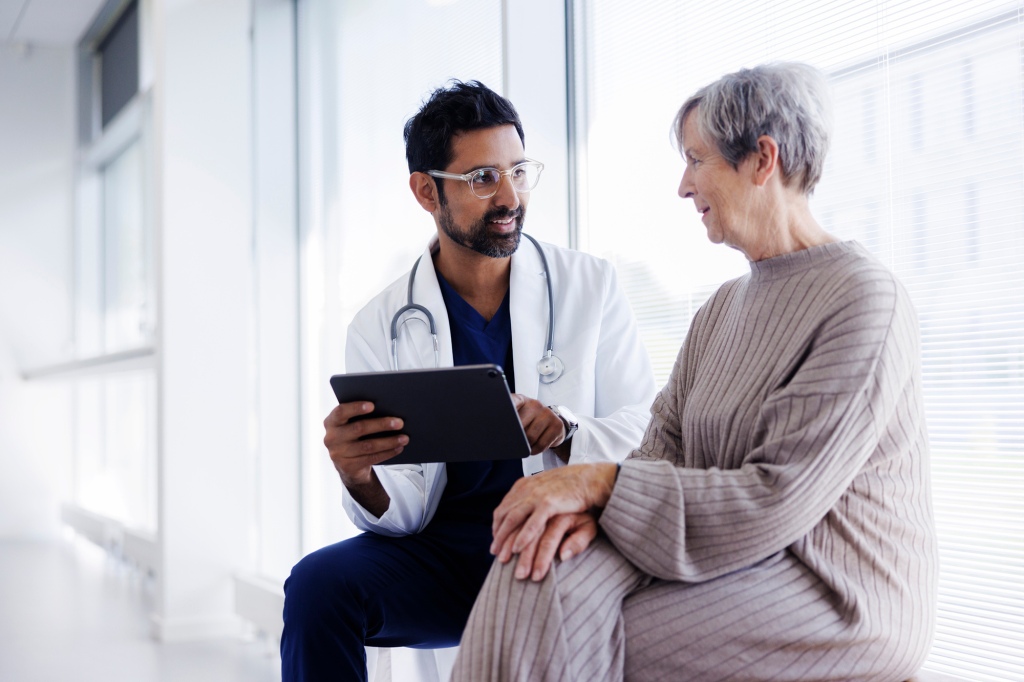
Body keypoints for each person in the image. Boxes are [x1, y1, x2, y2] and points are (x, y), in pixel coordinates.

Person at [451, 63, 939, 682]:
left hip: (835, 590)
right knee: (533, 566)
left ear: (762, 160)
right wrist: (585, 508)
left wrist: (599, 488)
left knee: (574, 627)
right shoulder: (720, 311)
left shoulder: (863, 300)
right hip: (730, 558)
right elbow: (661, 452)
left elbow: (777, 497)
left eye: (696, 159)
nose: (683, 186)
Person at [279, 80, 656, 682]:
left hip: (557, 538)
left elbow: (648, 429)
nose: (509, 195)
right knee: (317, 588)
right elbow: (401, 512)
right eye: (482, 178)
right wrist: (358, 475)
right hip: (443, 557)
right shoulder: (381, 325)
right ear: (427, 191)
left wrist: (566, 428)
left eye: (518, 171)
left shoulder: (591, 286)